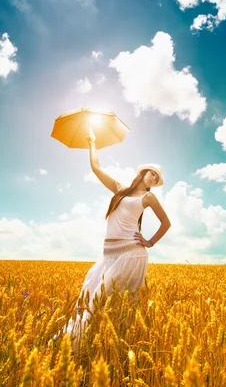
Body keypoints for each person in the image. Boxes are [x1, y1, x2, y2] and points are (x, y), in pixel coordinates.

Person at [57, 129, 171, 351]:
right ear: (143, 173)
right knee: (90, 299)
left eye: (156, 178)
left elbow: (166, 223)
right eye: (151, 173)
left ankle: (109, 350)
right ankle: (82, 348)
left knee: (113, 304)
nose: (153, 177)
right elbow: (96, 168)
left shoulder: (148, 197)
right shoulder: (119, 190)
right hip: (108, 254)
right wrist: (92, 143)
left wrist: (150, 241)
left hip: (131, 253)